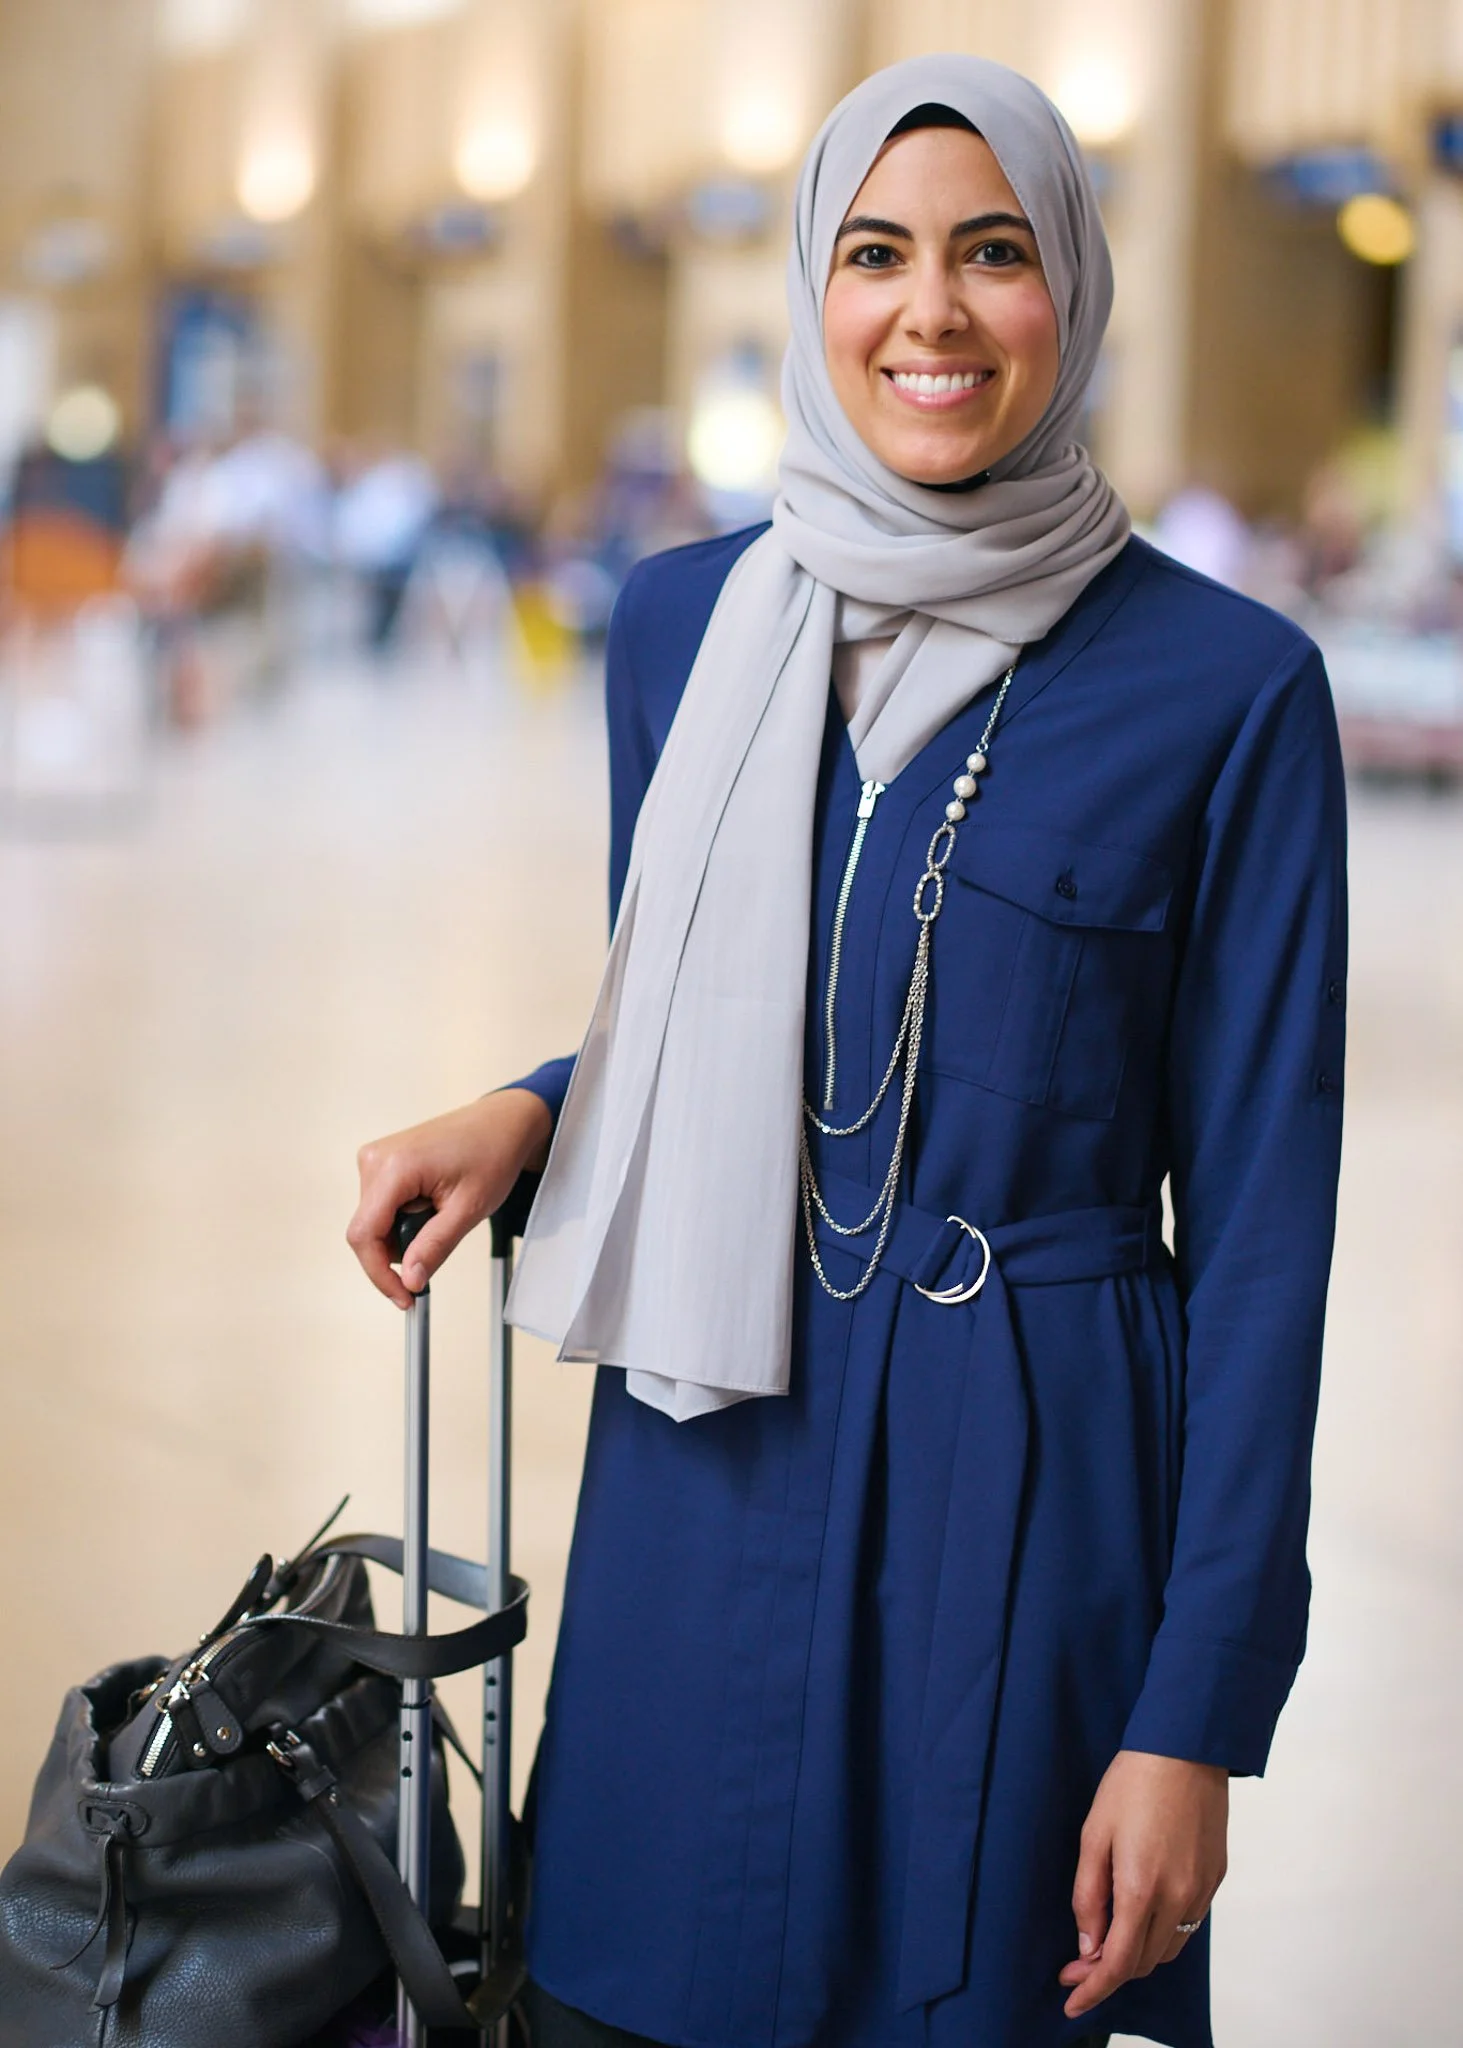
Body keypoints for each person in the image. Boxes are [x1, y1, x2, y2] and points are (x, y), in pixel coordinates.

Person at [348, 55, 1346, 2048]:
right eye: (876, 253)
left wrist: (1193, 1714)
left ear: (1069, 283)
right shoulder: (680, 627)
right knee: (626, 1993)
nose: (933, 312)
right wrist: (539, 1104)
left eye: (995, 255)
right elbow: (720, 1018)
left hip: (1027, 1493)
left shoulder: (1225, 690)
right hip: (705, 1463)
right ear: (812, 285)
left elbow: (1256, 1235)